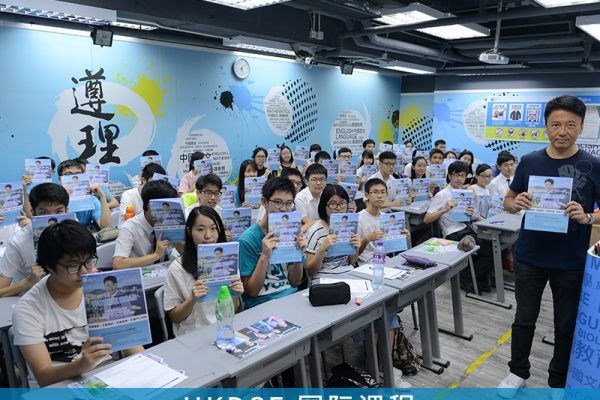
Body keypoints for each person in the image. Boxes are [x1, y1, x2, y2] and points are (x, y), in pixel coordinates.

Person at [498, 95, 600, 392]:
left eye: (570, 124)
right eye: (555, 124)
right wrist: (516, 203)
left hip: (570, 261)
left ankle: (558, 381)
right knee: (524, 319)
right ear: (546, 125)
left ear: (581, 126)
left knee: (565, 325)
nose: (562, 131)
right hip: (530, 256)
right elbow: (508, 201)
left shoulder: (594, 165)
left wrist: (588, 216)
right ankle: (517, 372)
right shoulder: (530, 161)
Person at [12, 220, 143, 387]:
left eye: (89, 261)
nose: (84, 272)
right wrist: (82, 365)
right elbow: (43, 377)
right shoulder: (28, 309)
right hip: (58, 386)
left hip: (105, 374)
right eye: (73, 266)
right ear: (49, 267)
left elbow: (132, 344)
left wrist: (146, 366)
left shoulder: (102, 289)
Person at [163, 206, 243, 337]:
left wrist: (236, 295)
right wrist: (192, 299)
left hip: (224, 329)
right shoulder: (177, 268)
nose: (208, 236)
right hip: (193, 334)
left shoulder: (228, 262)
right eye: (200, 229)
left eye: (213, 228)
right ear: (189, 231)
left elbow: (233, 310)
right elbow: (174, 317)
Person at [424, 161, 493, 292]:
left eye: (462, 176)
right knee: (490, 252)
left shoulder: (464, 193)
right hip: (453, 234)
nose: (459, 178)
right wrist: (444, 209)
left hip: (467, 229)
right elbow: (427, 219)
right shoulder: (442, 194)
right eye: (456, 175)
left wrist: (470, 213)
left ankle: (476, 278)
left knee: (493, 246)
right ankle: (466, 277)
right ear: (450, 176)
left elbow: (469, 216)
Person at [239, 177, 307, 309]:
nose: (284, 209)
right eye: (278, 202)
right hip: (262, 304)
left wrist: (298, 255)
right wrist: (264, 257)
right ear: (264, 202)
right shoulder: (247, 240)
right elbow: (252, 292)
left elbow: (294, 282)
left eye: (289, 203)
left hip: (291, 297)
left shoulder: (292, 233)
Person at [0, 183, 68, 297]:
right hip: (30, 296)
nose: (51, 220)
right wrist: (27, 282)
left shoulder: (74, 231)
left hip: (65, 294)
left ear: (67, 210)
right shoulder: (19, 242)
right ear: (33, 213)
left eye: (59, 211)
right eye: (44, 213)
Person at [113, 180, 180, 270]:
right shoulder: (129, 227)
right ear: (151, 206)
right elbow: (118, 264)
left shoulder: (169, 222)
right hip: (138, 275)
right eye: (166, 208)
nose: (169, 212)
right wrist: (156, 255)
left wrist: (178, 239)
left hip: (162, 272)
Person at [305, 185, 359, 279]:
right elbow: (310, 271)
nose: (338, 208)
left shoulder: (349, 227)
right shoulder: (317, 230)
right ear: (324, 206)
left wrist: (356, 248)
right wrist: (322, 249)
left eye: (342, 203)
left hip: (348, 274)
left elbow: (352, 261)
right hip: (324, 277)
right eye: (333, 204)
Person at [57, 160, 111, 229]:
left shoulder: (92, 200)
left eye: (78, 174)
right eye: (68, 174)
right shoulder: (55, 200)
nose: (73, 178)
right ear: (60, 179)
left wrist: (102, 196)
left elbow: (106, 227)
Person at [119, 162, 166, 226]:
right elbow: (127, 224)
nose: (156, 186)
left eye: (160, 183)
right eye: (153, 182)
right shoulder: (128, 195)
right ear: (143, 180)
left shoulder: (160, 195)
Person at [295, 163, 327, 228]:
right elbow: (307, 221)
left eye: (322, 179)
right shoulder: (300, 198)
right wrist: (326, 224)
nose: (319, 183)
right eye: (314, 180)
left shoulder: (327, 194)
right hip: (308, 230)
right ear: (307, 181)